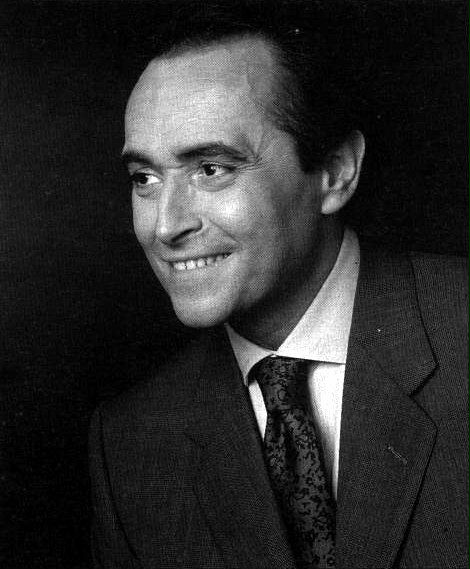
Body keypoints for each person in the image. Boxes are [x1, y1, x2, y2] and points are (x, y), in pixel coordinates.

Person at [89, 1, 468, 568]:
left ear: (336, 172)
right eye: (144, 177)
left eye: (211, 169)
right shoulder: (130, 444)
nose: (165, 226)